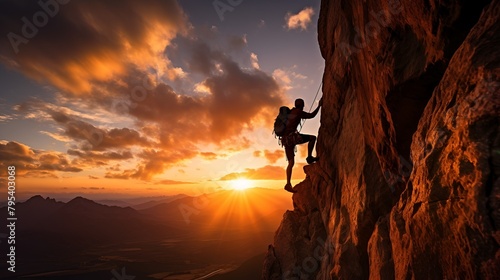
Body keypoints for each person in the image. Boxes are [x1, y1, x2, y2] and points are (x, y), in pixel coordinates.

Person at [282, 97, 322, 193]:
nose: (303, 107)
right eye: (303, 105)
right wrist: (319, 106)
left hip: (286, 140)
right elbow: (312, 115)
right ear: (301, 105)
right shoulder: (298, 112)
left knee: (291, 163)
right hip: (292, 138)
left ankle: (288, 183)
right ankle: (309, 157)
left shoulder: (290, 112)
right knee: (312, 138)